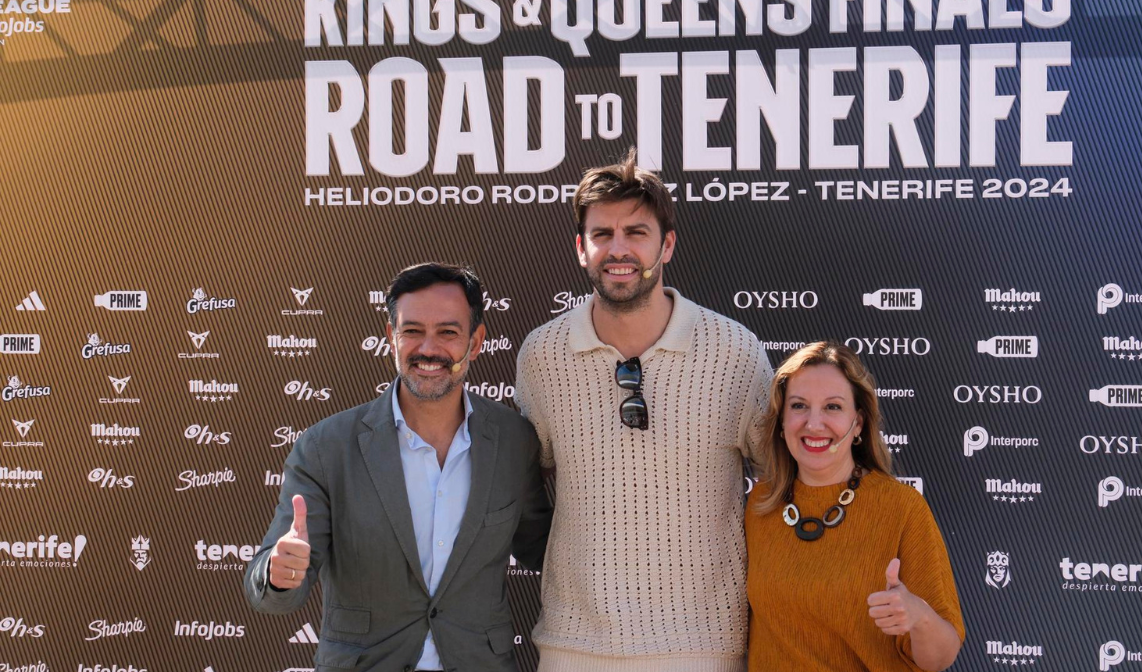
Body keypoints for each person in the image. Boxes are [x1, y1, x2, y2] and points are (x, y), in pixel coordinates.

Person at [515, 149, 775, 672]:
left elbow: (782, 480)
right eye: (602, 234)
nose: (619, 249)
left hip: (702, 648)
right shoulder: (542, 355)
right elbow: (525, 488)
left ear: (668, 244)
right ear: (581, 249)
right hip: (573, 648)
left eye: (636, 232)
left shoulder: (735, 350)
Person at [245, 263, 553, 672]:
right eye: (412, 331)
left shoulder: (514, 441)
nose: (429, 349)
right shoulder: (326, 448)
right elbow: (271, 588)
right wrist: (279, 571)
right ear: (390, 337)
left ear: (475, 342)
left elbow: (544, 550)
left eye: (447, 332)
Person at [745, 341, 964, 672]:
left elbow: (940, 657)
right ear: (781, 420)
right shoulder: (761, 503)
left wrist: (917, 616)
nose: (814, 424)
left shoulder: (901, 508)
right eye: (799, 406)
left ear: (858, 423)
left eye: (833, 407)